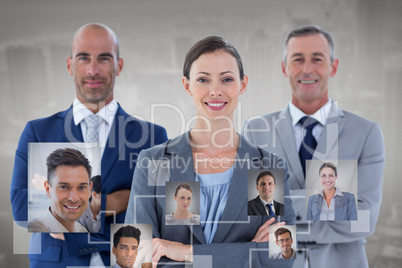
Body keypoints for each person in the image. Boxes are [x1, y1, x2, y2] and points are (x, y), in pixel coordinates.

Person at [125, 36, 295, 267]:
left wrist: (187, 252)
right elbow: (132, 260)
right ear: (187, 85)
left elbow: (281, 259)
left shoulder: (268, 168)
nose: (215, 90)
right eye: (203, 79)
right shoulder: (153, 163)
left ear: (242, 85)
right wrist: (250, 251)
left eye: (226, 79)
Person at [10, 23, 168, 267]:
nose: (93, 70)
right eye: (84, 58)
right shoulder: (38, 132)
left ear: (119, 65)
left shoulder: (152, 137)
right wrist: (112, 203)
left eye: (104, 58)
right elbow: (21, 209)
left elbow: (156, 218)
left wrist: (60, 208)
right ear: (69, 65)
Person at [243, 25, 385, 268]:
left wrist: (283, 205)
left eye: (317, 59)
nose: (307, 69)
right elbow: (255, 216)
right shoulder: (256, 131)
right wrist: (334, 200)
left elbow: (365, 221)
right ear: (284, 67)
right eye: (298, 59)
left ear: (333, 66)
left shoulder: (366, 133)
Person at [28, 148, 92, 233]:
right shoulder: (34, 232)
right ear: (48, 189)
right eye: (64, 187)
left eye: (82, 188)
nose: (74, 198)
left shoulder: (82, 231)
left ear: (90, 189)